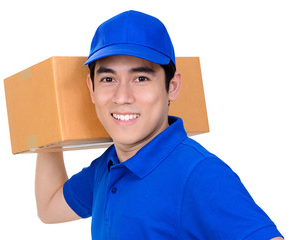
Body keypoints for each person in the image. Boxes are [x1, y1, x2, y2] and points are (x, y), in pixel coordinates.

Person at [35, 10, 284, 239]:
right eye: (109, 79)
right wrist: (47, 119)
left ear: (172, 87)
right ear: (91, 88)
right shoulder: (109, 167)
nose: (122, 97)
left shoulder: (200, 174)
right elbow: (49, 207)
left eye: (141, 78)